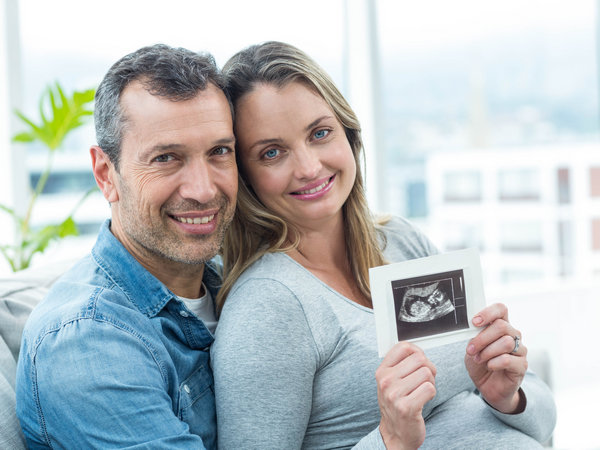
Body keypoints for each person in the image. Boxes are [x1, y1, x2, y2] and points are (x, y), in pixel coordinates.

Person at [211, 41, 556, 449]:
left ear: (348, 133)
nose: (308, 167)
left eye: (320, 133)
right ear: (245, 177)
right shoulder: (268, 306)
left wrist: (508, 397)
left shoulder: (400, 240)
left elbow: (542, 422)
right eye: (272, 153)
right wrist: (389, 439)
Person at [16, 44, 237, 448]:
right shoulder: (88, 342)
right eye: (166, 158)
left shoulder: (236, 284)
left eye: (219, 151)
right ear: (105, 174)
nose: (204, 190)